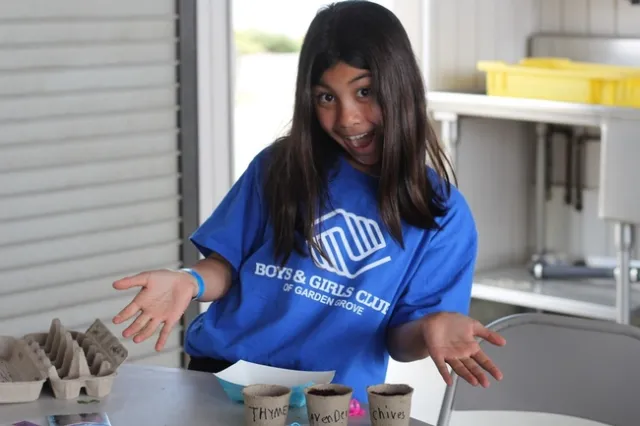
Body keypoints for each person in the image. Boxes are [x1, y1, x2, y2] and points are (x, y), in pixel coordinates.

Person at [112, 0, 506, 402]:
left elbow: (401, 342)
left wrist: (430, 327)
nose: (347, 118)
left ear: (400, 86)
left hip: (331, 401)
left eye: (365, 92)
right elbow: (225, 265)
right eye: (326, 98)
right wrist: (189, 281)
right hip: (224, 380)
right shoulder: (280, 166)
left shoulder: (441, 214)